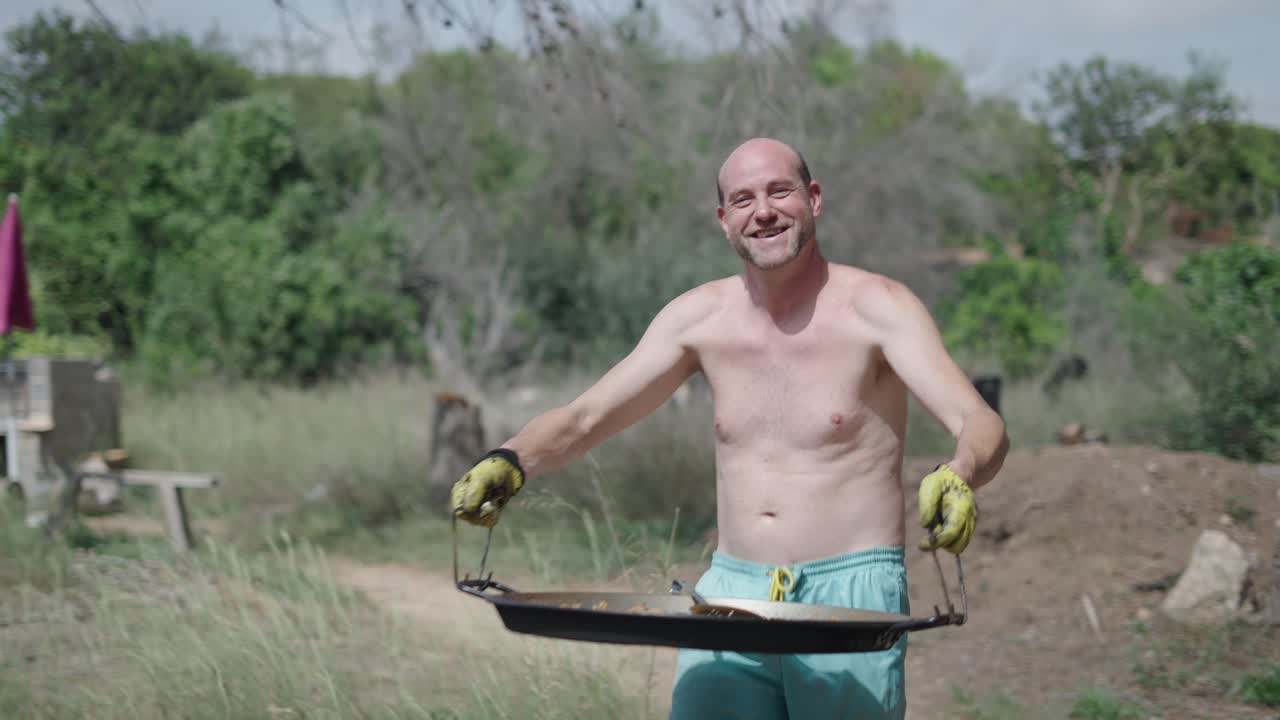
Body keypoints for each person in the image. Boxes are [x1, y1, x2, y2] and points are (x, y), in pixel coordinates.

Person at [450, 137, 1009, 719]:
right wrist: (509, 462)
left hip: (849, 599)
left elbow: (979, 421)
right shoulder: (698, 319)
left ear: (813, 199)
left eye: (779, 191)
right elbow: (585, 417)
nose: (762, 211)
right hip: (729, 594)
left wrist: (961, 472)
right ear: (724, 221)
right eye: (742, 199)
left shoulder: (880, 309)